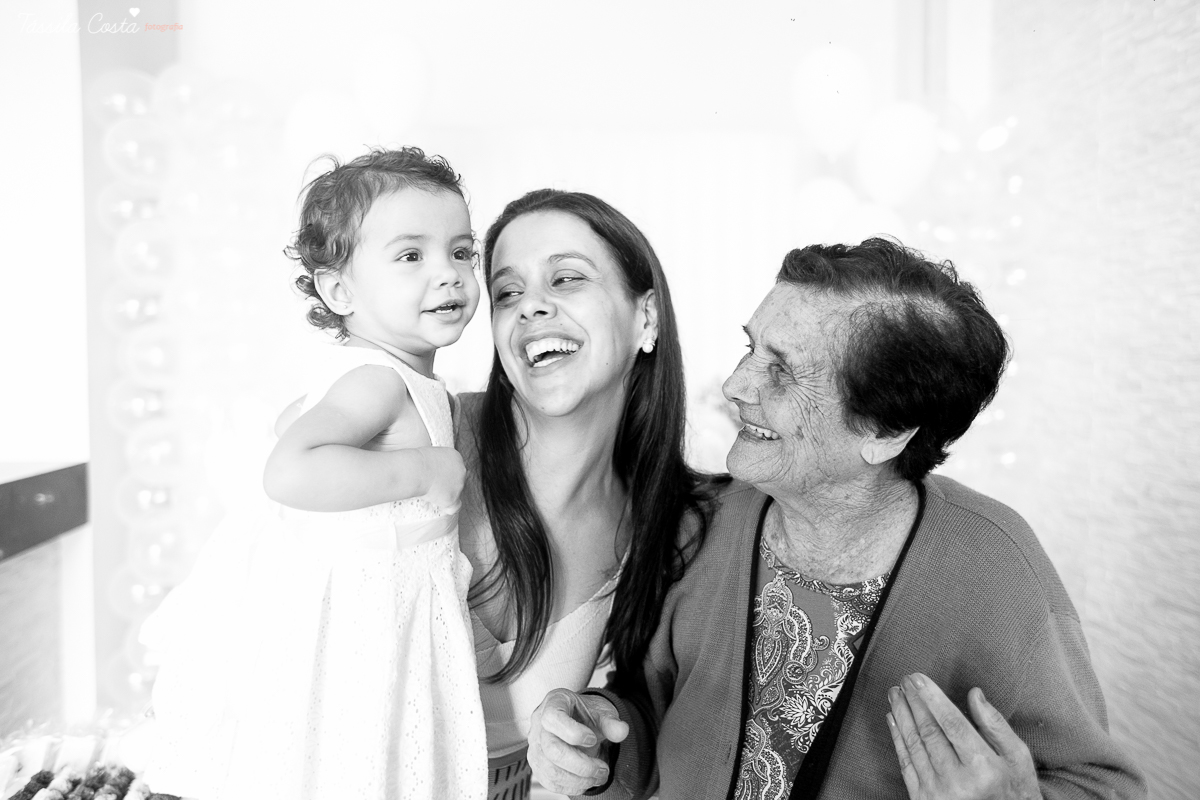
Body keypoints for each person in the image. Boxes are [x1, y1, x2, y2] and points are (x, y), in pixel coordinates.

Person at [526, 238, 1147, 800]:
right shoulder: (700, 522)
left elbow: (1104, 787)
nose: (737, 385)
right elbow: (646, 707)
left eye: (783, 371)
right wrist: (593, 740)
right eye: (750, 348)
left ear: (885, 431)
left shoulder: (994, 561)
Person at [140, 147, 488, 800]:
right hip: (366, 633)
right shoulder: (376, 382)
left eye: (462, 252)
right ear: (338, 290)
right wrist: (419, 469)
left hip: (397, 616)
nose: (448, 274)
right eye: (411, 256)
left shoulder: (406, 380)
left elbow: (290, 426)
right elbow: (289, 470)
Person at [457, 189, 723, 799]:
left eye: (567, 278)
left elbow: (639, 720)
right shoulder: (428, 441)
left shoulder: (665, 528)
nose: (530, 309)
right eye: (507, 293)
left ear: (646, 318)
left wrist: (583, 736)